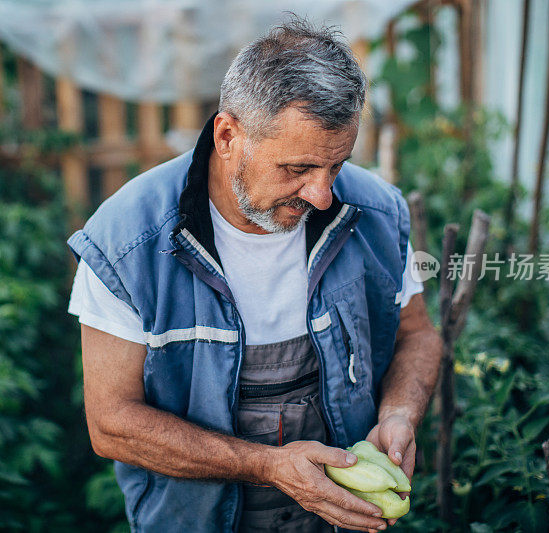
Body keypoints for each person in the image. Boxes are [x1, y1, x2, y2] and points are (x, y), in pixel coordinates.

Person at [67, 18, 442, 533]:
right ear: (227, 136)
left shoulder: (375, 212)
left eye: (336, 166)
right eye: (297, 169)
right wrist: (268, 466)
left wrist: (399, 414)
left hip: (344, 518)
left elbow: (416, 334)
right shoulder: (127, 241)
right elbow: (111, 423)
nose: (322, 195)